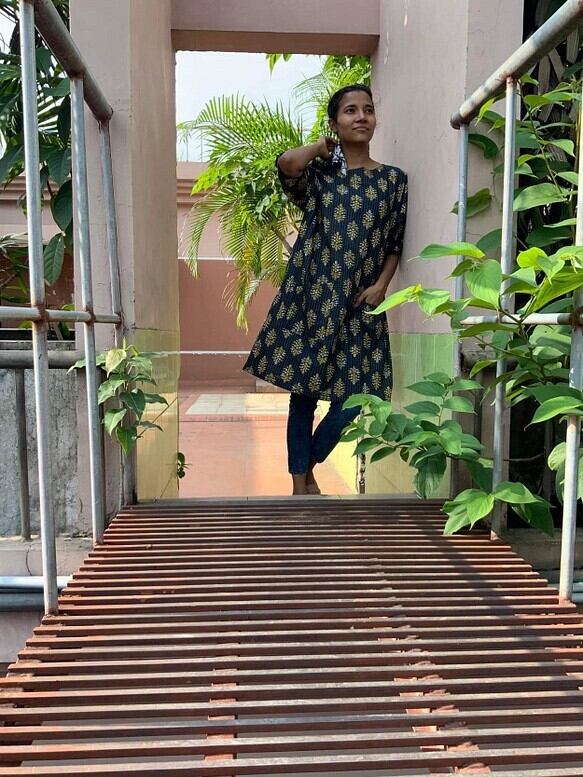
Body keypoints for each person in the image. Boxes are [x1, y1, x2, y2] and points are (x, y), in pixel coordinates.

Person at [243, 84, 408, 495]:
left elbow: (394, 242)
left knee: (360, 393)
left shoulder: (393, 181)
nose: (361, 116)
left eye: (368, 109)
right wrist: (319, 147)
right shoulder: (319, 177)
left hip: (360, 301)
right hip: (311, 296)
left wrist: (382, 286)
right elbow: (286, 165)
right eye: (350, 110)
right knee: (303, 392)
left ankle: (307, 463)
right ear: (335, 122)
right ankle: (300, 486)